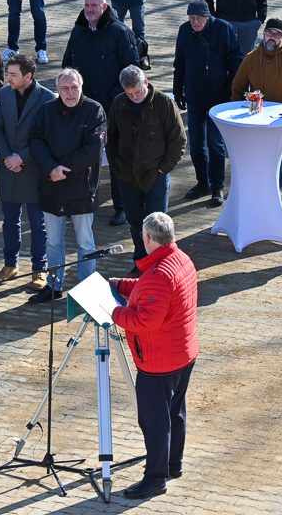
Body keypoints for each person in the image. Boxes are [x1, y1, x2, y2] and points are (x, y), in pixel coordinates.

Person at [109, 211, 198, 500]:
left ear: (148, 238)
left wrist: (112, 311)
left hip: (159, 360)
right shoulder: (178, 259)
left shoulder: (160, 274)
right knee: (175, 412)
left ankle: (155, 479)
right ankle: (173, 465)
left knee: (154, 422)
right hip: (182, 352)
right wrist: (121, 285)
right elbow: (150, 291)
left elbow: (145, 319)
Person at [27, 68, 106, 303]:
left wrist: (65, 170)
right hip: (51, 185)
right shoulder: (45, 111)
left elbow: (93, 149)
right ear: (57, 90)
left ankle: (87, 288)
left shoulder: (94, 110)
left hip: (81, 187)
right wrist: (51, 168)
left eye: (74, 88)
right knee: (53, 242)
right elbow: (35, 141)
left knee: (85, 242)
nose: (70, 93)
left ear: (81, 88)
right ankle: (54, 285)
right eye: (65, 88)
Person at [62, 0, 140, 226]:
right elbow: (67, 65)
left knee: (116, 157)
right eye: (86, 5)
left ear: (104, 7)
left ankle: (122, 207)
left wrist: (114, 97)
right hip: (83, 107)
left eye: (94, 6)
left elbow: (132, 70)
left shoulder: (120, 33)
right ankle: (79, 202)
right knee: (82, 156)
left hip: (112, 108)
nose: (90, 10)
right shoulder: (78, 31)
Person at [230, 18, 282, 225]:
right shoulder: (251, 58)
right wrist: (238, 114)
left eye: (276, 34)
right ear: (263, 34)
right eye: (268, 33)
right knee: (257, 165)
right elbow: (238, 88)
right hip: (256, 123)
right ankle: (259, 204)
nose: (271, 37)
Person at [108, 66, 186, 264]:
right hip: (127, 175)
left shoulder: (164, 103)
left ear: (146, 82)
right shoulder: (118, 103)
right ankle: (140, 261)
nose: (134, 96)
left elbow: (178, 139)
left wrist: (163, 169)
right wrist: (116, 166)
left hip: (155, 174)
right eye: (130, 93)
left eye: (138, 91)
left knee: (158, 225)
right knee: (135, 222)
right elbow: (112, 137)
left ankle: (160, 264)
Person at [0, 54, 54, 290]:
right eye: (8, 73)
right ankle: (10, 265)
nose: (8, 78)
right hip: (9, 169)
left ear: (28, 76)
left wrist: (22, 157)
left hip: (34, 171)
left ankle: (39, 269)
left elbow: (47, 136)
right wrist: (7, 155)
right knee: (9, 221)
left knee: (38, 224)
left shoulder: (46, 98)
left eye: (13, 74)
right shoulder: (4, 95)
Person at [173, 0, 243, 207]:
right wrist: (178, 90)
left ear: (207, 17)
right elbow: (180, 62)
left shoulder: (223, 29)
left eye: (198, 18)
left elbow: (236, 58)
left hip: (218, 97)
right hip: (195, 95)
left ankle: (217, 186)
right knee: (195, 145)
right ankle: (202, 182)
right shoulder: (185, 31)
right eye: (191, 18)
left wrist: (229, 88)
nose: (194, 22)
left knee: (215, 144)